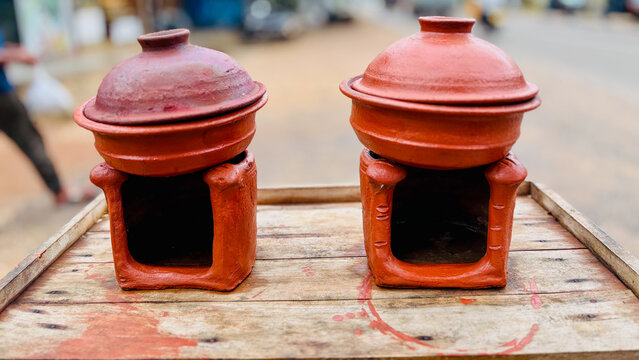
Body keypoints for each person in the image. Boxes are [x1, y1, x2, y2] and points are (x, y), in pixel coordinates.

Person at [0, 30, 68, 205]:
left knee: (32, 141)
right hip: (3, 98)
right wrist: (17, 55)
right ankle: (60, 192)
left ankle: (58, 190)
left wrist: (15, 50)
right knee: (32, 141)